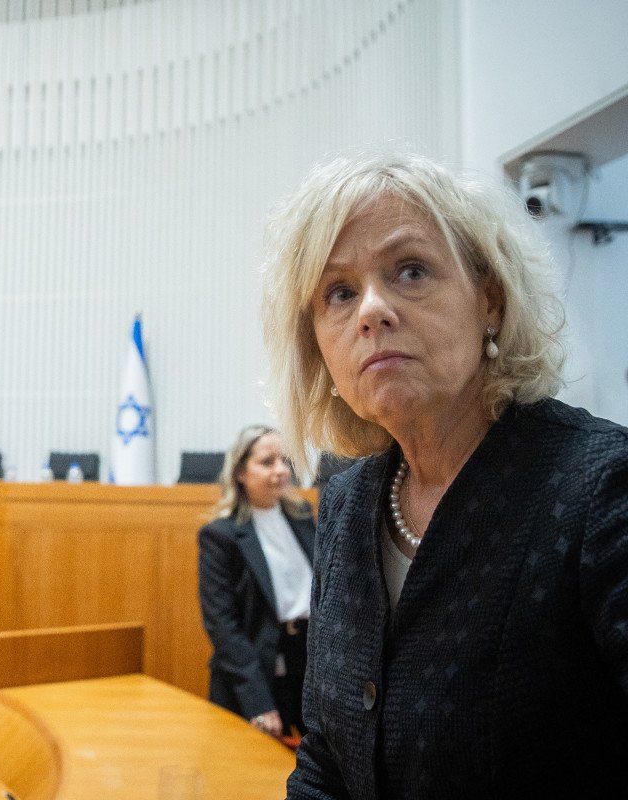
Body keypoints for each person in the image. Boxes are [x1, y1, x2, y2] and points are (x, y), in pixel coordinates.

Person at [261, 153, 628, 799]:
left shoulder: (600, 489)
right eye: (339, 292)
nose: (372, 310)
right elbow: (325, 758)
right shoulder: (346, 496)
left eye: (410, 271)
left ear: (490, 301)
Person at [198, 425, 314, 739]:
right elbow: (222, 625)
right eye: (267, 462)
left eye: (284, 461)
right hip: (253, 675)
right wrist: (258, 702)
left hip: (304, 665)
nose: (280, 470)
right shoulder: (220, 536)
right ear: (240, 472)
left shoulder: (302, 516)